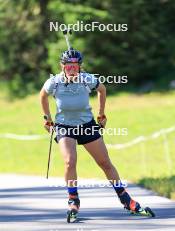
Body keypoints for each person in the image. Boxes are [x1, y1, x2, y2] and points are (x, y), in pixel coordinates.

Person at [39, 48, 142, 218]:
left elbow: (102, 89)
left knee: (105, 163)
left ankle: (126, 199)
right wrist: (47, 118)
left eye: (75, 65)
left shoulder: (87, 79)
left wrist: (101, 114)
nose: (72, 68)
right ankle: (73, 200)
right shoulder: (54, 82)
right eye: (68, 65)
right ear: (62, 66)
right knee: (69, 161)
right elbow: (42, 96)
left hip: (87, 125)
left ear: (79, 66)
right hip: (65, 127)